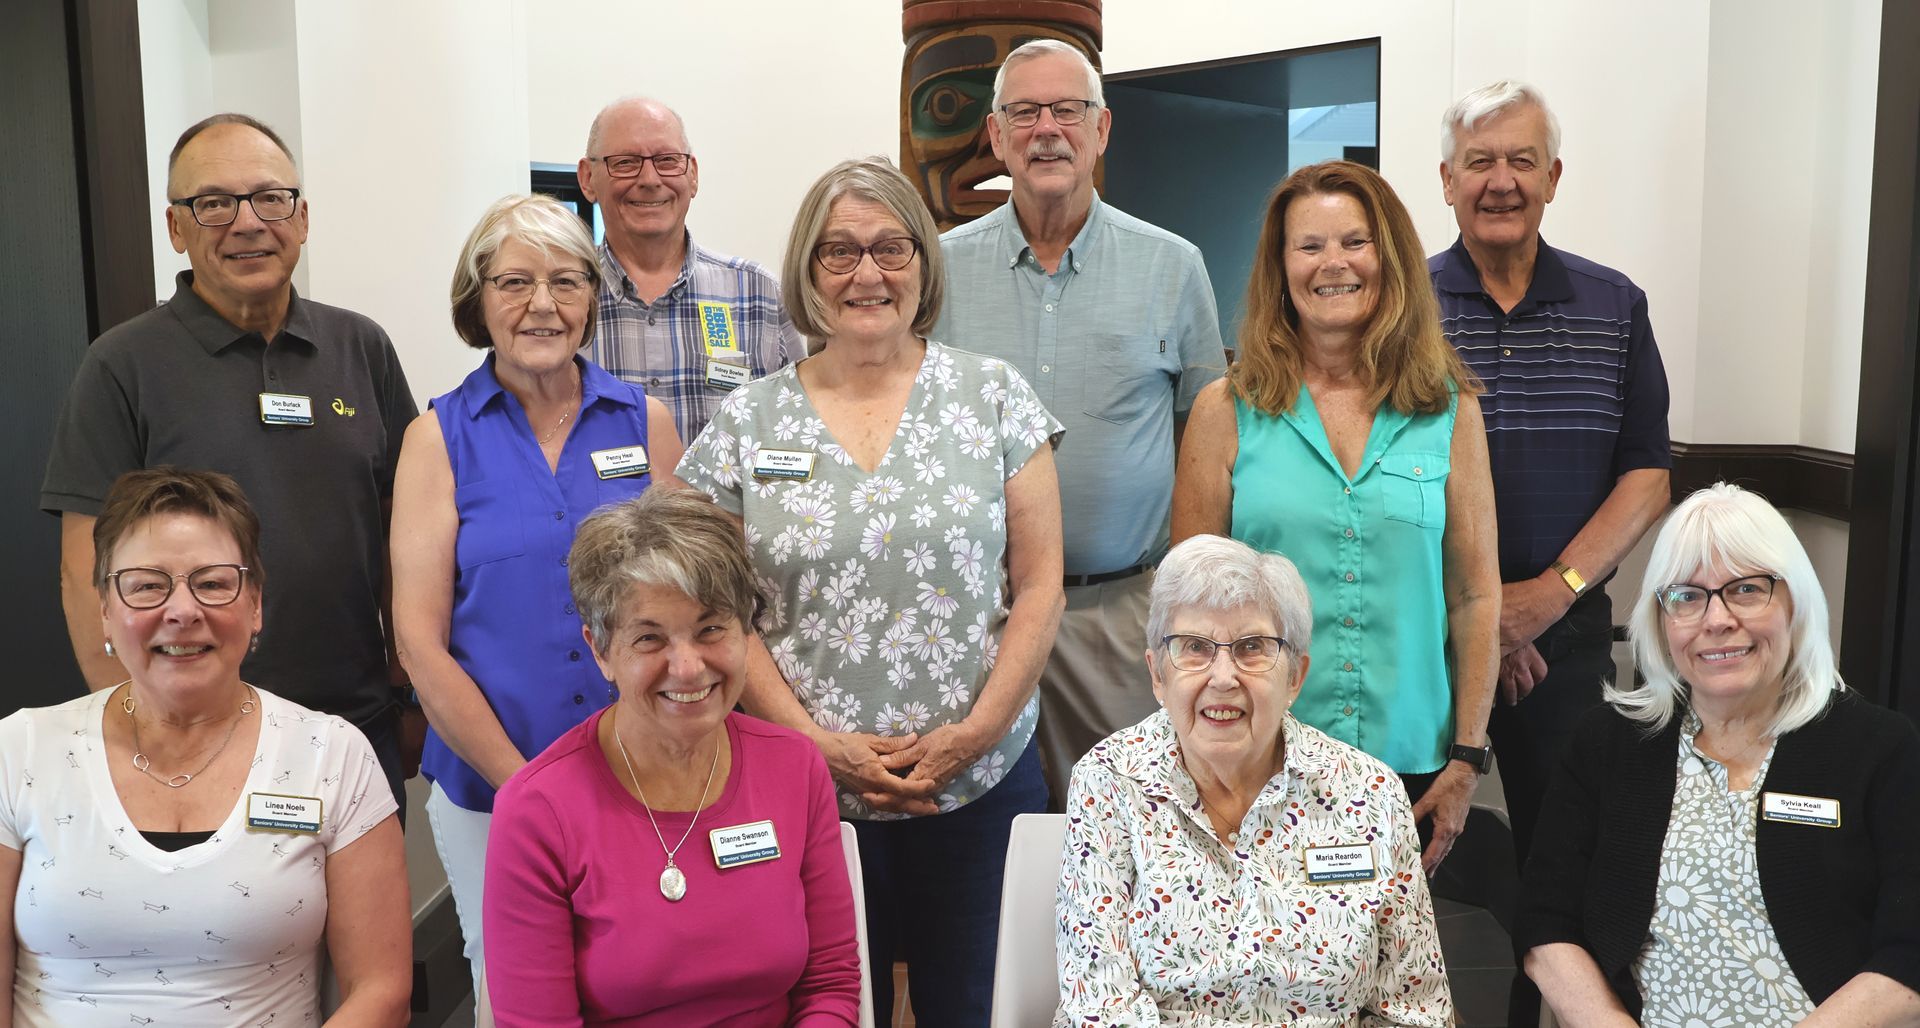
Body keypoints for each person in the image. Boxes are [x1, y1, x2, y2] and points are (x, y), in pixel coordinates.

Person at [677, 156, 1065, 1027]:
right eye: (839, 252)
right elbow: (719, 616)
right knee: (827, 1009)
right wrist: (815, 742)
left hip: (977, 782)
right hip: (802, 786)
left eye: (892, 248)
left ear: (924, 263)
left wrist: (974, 734)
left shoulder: (993, 396)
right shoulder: (747, 422)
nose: (867, 273)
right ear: (808, 272)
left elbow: (1040, 588)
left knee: (978, 1005)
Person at [40, 113, 419, 814]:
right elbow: (83, 570)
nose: (247, 223)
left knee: (366, 924)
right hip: (190, 739)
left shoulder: (361, 347)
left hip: (353, 726)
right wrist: (129, 732)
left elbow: (406, 536)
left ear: (301, 218)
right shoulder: (122, 366)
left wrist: (409, 685)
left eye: (270, 199)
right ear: (176, 228)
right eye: (213, 203)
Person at [389, 193, 684, 996]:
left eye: (566, 282)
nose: (542, 305)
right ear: (477, 302)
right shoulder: (437, 438)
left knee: (643, 975)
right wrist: (526, 785)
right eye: (515, 283)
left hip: (642, 771)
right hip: (493, 787)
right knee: (518, 989)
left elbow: (681, 611)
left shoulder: (645, 424)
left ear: (592, 299)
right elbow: (419, 641)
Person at [1171, 160, 1500, 874]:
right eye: (1309, 245)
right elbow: (1187, 616)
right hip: (1257, 757)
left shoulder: (1449, 410)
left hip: (1410, 764)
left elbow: (1474, 597)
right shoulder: (1225, 413)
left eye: (1355, 242)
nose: (1333, 264)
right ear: (1280, 266)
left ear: (1390, 259)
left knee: (1391, 975)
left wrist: (1468, 759)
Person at [0, 468, 410, 1027]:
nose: (183, 610)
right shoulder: (19, 750)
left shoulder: (331, 755)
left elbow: (380, 990)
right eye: (146, 584)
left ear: (256, 605)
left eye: (213, 583)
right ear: (104, 609)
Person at [1430, 82, 1673, 1023]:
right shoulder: (1400, 305)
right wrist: (1488, 619)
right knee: (1399, 859)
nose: (1501, 182)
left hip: (1565, 647)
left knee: (1563, 865)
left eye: (1521, 161)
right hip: (1431, 641)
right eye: (1480, 163)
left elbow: (1648, 474)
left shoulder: (1616, 305)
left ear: (1554, 177)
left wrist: (1549, 596)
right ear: (1446, 180)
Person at [934, 39, 1227, 807]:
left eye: (1068, 109)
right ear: (995, 138)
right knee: (989, 844)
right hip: (977, 622)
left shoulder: (1173, 266)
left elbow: (1208, 434)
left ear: (1102, 130)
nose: (1047, 130)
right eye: (1024, 112)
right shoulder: (937, 271)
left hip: (1117, 618)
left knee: (1129, 829)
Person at [1519, 482, 1920, 1025]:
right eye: (1687, 596)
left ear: (1794, 601)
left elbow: (1908, 952)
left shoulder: (1883, 750)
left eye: (1747, 590)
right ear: (1661, 622)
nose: (1717, 619)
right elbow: (1547, 922)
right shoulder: (1606, 744)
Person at [483, 488, 860, 1025]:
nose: (687, 668)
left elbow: (829, 984)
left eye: (711, 629)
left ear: (746, 633)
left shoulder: (795, 768)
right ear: (600, 650)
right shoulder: (538, 810)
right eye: (649, 639)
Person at [1055, 534, 1453, 1025]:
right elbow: (1100, 1007)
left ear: (1295, 677)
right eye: (1195, 648)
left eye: (1252, 648)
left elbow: (1416, 1006)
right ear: (1157, 675)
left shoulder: (1369, 793)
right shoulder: (1110, 782)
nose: (1223, 676)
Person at [580, 96, 804, 445]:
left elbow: (800, 427)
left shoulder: (758, 294)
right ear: (587, 178)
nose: (650, 178)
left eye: (668, 160)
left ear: (693, 175)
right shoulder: (557, 301)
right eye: (625, 163)